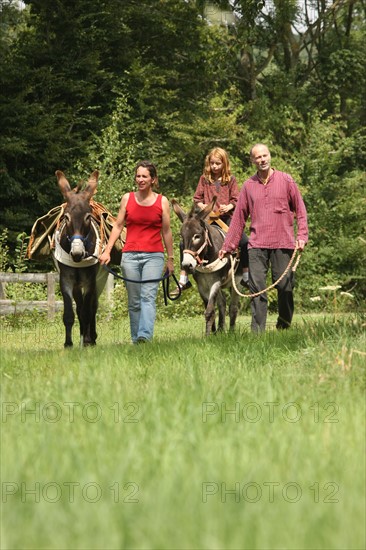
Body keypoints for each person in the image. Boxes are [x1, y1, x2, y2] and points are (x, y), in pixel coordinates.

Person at [219, 143, 308, 332]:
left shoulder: (286, 180)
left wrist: (302, 235)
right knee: (256, 289)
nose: (262, 160)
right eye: (258, 157)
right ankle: (257, 333)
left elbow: (300, 210)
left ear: (270, 156)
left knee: (285, 286)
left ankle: (284, 325)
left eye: (265, 155)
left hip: (283, 243)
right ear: (252, 161)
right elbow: (238, 219)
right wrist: (228, 246)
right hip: (257, 245)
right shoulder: (248, 186)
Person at [99, 160, 174, 344]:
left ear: (153, 180)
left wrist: (170, 259)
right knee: (134, 301)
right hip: (130, 255)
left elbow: (166, 231)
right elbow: (118, 226)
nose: (140, 179)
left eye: (144, 176)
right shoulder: (127, 198)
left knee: (147, 296)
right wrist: (107, 251)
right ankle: (135, 339)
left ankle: (144, 337)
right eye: (138, 176)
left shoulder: (162, 201)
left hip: (154, 256)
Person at [173, 147, 249, 295]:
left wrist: (229, 206)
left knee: (244, 241)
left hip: (226, 219)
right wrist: (204, 207)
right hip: (206, 219)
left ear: (224, 164)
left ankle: (246, 276)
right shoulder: (204, 179)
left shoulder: (231, 180)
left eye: (218, 163)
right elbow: (197, 199)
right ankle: (183, 278)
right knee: (185, 241)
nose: (214, 167)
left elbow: (236, 199)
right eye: (212, 163)